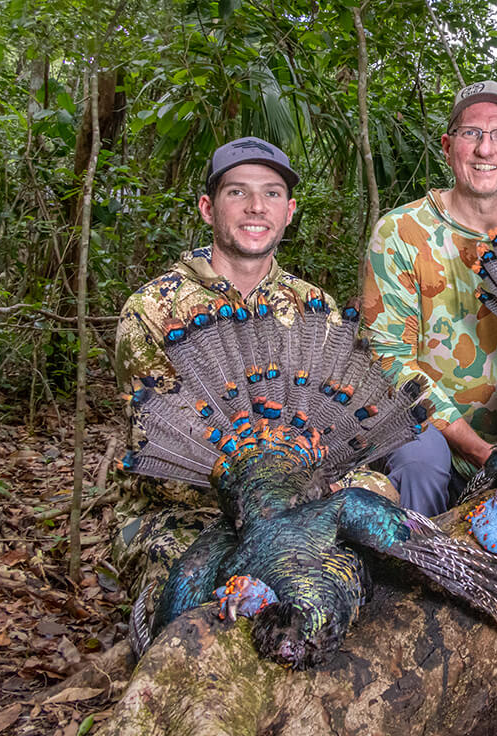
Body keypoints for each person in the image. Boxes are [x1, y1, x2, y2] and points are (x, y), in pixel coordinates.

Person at [111, 137, 396, 601]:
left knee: (378, 497)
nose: (256, 207)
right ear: (208, 208)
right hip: (189, 513)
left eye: (272, 193)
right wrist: (273, 499)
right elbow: (163, 461)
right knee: (190, 586)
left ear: (289, 211)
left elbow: (337, 428)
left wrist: (312, 490)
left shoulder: (313, 307)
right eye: (237, 192)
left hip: (299, 499)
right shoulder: (153, 309)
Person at [360, 82, 497, 516]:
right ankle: (411, 569)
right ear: (447, 146)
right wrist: (479, 451)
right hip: (425, 431)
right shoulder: (401, 232)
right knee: (423, 463)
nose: (485, 149)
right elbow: (390, 361)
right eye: (471, 133)